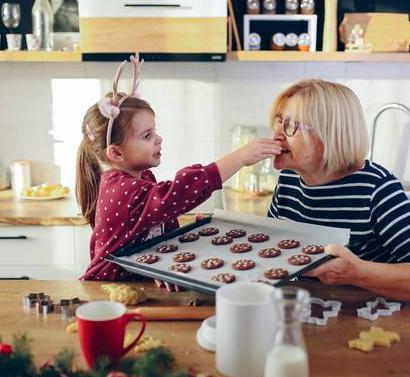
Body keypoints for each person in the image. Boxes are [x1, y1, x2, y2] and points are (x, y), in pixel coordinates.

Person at [77, 54, 282, 283]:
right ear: (116, 153)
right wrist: (240, 158)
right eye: (147, 136)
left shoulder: (142, 177)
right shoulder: (123, 191)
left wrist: (162, 260)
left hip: (135, 282)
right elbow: (179, 193)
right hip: (107, 289)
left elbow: (151, 228)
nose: (159, 139)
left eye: (154, 131)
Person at [267, 79, 410, 302]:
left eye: (290, 125)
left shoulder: (376, 187)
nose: (276, 135)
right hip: (311, 311)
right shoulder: (289, 180)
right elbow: (274, 252)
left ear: (329, 134)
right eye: (278, 121)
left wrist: (357, 273)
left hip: (369, 316)